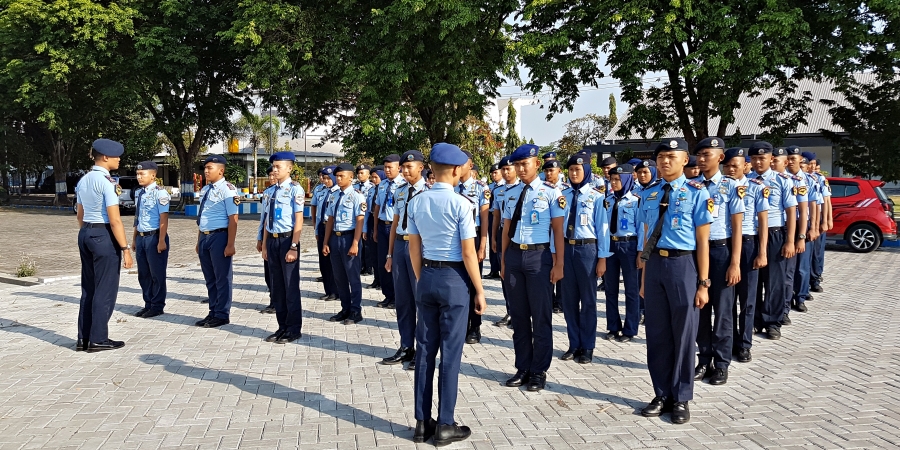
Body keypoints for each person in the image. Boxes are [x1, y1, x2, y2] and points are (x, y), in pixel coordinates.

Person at [406, 142, 485, 446]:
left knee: (425, 351)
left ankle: (422, 423)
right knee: (450, 355)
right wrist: (479, 290)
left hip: (426, 275)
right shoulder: (462, 204)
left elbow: (414, 247)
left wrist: (422, 277)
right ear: (454, 170)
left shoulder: (416, 202)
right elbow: (468, 253)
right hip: (454, 279)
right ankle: (446, 425)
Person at [637, 138, 712, 425]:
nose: (665, 161)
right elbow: (646, 238)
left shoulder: (697, 193)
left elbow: (703, 242)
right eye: (661, 157)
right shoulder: (650, 194)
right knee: (656, 334)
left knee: (683, 335)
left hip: (684, 265)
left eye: (671, 156)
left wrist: (703, 283)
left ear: (684, 161)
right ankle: (661, 393)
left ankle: (681, 398)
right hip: (655, 265)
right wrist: (644, 277)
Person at [501, 143, 566, 392]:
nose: (520, 169)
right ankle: (523, 367)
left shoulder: (551, 193)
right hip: (516, 256)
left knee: (540, 317)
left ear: (536, 164)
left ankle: (539, 370)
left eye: (524, 164)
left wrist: (559, 263)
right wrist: (505, 260)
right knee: (518, 316)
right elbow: (506, 229)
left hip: (540, 258)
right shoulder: (511, 193)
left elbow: (558, 231)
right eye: (516, 165)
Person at [693, 138, 744, 386]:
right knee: (700, 308)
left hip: (721, 252)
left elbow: (737, 228)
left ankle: (722, 364)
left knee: (723, 311)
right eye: (699, 155)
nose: (701, 159)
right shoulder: (691, 186)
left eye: (707, 154)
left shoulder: (731, 187)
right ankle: (704, 359)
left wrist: (735, 262)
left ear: (720, 157)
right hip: (695, 254)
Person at [75, 139, 134, 352]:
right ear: (106, 158)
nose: (119, 159)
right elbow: (115, 219)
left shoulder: (83, 180)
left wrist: (89, 232)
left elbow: (80, 214)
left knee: (88, 288)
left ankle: (84, 338)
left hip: (86, 232)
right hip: (103, 234)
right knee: (105, 288)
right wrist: (125, 249)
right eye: (117, 156)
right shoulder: (107, 183)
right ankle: (98, 338)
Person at [559, 154, 610, 364]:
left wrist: (602, 258)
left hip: (587, 250)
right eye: (570, 170)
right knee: (569, 301)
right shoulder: (562, 196)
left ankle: (587, 346)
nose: (573, 173)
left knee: (588, 301)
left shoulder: (597, 197)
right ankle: (574, 343)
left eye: (578, 170)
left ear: (586, 172)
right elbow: (557, 228)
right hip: (567, 249)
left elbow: (603, 230)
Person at [382, 150, 429, 369]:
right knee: (403, 300)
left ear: (421, 168)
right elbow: (395, 223)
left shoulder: (429, 192)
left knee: (421, 300)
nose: (405, 170)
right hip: (401, 245)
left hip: (419, 247)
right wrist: (390, 254)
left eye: (410, 167)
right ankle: (405, 346)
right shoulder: (400, 192)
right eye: (403, 167)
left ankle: (423, 350)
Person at [722, 148, 768, 363]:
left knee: (748, 299)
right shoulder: (719, 188)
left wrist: (762, 252)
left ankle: (745, 344)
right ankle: (729, 341)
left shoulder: (756, 188)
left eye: (736, 166)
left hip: (749, 244)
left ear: (746, 167)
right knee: (727, 300)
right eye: (728, 165)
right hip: (726, 245)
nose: (731, 170)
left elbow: (763, 222)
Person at [749, 142, 797, 340]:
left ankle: (773, 322)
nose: (758, 162)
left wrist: (791, 241)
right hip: (751, 235)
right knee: (753, 281)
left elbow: (792, 212)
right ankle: (754, 320)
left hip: (775, 235)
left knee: (774, 280)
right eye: (754, 158)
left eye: (762, 158)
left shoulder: (783, 180)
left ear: (771, 159)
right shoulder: (746, 181)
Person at [260, 152, 306, 343]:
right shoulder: (269, 192)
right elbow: (265, 222)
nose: (275, 170)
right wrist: (264, 245)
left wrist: (294, 246)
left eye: (279, 166)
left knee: (290, 287)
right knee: (277, 287)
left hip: (288, 241)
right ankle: (282, 327)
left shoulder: (296, 190)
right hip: (272, 241)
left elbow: (299, 220)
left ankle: (294, 328)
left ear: (290, 168)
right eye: (274, 167)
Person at [195, 155, 240, 328]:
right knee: (210, 278)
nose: (206, 171)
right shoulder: (206, 190)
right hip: (205, 236)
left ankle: (222, 314)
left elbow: (233, 218)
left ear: (221, 171)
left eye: (210, 168)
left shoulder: (228, 190)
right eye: (205, 168)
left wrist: (230, 244)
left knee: (222, 278)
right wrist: (199, 240)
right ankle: (213, 310)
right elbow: (203, 216)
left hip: (220, 237)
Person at [322, 163, 367, 325]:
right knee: (339, 277)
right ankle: (345, 308)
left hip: (349, 237)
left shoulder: (357, 196)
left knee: (352, 276)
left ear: (351, 177)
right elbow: (330, 220)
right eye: (337, 176)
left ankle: (356, 310)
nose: (338, 179)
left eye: (342, 176)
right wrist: (326, 242)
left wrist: (355, 243)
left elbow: (359, 220)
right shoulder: (333, 195)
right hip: (335, 238)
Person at [603, 164, 641, 343]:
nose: (614, 182)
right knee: (610, 289)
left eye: (618, 179)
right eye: (612, 179)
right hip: (611, 245)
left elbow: (642, 228)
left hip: (629, 246)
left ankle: (630, 328)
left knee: (631, 290)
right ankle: (613, 326)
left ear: (627, 180)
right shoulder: (608, 199)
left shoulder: (635, 200)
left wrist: (641, 252)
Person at [456, 150, 490, 344]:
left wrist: (482, 244)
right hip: (456, 237)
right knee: (459, 282)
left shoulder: (480, 188)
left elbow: (485, 217)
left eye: (463, 163)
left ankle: (475, 327)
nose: (459, 167)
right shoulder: (451, 187)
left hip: (474, 235)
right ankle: (460, 324)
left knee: (474, 282)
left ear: (470, 165)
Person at [773, 147, 807, 327]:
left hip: (787, 230)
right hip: (767, 232)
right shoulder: (756, 180)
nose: (771, 163)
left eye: (775, 160)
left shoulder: (794, 181)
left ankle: (784, 309)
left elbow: (801, 210)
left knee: (786, 274)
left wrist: (799, 237)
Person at [132, 161, 170, 319]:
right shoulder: (138, 193)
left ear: (153, 175)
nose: (139, 177)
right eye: (138, 174)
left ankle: (157, 305)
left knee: (157, 274)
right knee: (143, 274)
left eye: (142, 174)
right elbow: (137, 217)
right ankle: (148, 303)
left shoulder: (160, 193)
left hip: (154, 237)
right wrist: (134, 239)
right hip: (141, 237)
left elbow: (164, 219)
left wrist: (161, 240)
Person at [786, 147, 819, 315]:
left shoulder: (808, 179)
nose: (790, 161)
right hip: (786, 224)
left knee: (802, 266)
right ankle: (786, 300)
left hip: (802, 223)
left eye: (794, 158)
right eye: (788, 158)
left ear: (800, 160)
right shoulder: (782, 178)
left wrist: (813, 227)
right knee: (787, 267)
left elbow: (813, 205)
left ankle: (800, 297)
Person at [373, 154, 406, 308]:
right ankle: (388, 295)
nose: (386, 170)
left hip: (396, 227)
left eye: (389, 167)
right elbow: (377, 207)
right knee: (382, 263)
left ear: (398, 168)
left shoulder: (404, 185)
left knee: (395, 263)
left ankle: (397, 297)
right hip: (382, 226)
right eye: (385, 167)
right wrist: (374, 229)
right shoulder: (382, 185)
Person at [491, 155, 518, 327]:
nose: (506, 172)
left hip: (518, 234)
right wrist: (493, 237)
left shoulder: (522, 188)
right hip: (502, 232)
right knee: (504, 274)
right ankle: (510, 311)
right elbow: (496, 216)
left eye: (509, 169)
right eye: (503, 169)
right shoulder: (498, 191)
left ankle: (519, 312)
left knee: (516, 275)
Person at [633, 159, 658, 322]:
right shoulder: (633, 191)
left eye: (646, 172)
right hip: (638, 242)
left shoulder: (658, 191)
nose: (642, 175)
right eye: (640, 172)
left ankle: (651, 309)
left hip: (652, 244)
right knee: (639, 279)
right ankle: (641, 310)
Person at [311, 167, 338, 300]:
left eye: (329, 178)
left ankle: (337, 290)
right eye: (324, 178)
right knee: (324, 261)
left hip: (334, 229)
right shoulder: (319, 190)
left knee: (335, 262)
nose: (326, 181)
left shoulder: (339, 191)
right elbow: (314, 208)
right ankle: (329, 290)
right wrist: (316, 229)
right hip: (322, 227)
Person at [806, 154, 832, 293]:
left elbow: (826, 201)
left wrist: (827, 220)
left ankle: (815, 279)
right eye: (809, 164)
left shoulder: (820, 179)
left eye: (813, 164)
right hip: (806, 221)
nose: (812, 167)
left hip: (817, 219)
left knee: (817, 253)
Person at [256, 167, 278, 314]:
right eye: (269, 175)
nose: (271, 177)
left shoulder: (291, 191)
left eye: (273, 174)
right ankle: (273, 300)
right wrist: (260, 239)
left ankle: (278, 302)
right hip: (267, 236)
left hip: (281, 237)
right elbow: (263, 218)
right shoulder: (267, 193)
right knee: (268, 273)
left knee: (277, 274)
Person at [355, 164, 375, 276]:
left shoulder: (371, 187)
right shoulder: (354, 187)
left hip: (366, 219)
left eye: (362, 173)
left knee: (367, 245)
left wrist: (365, 227)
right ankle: (360, 266)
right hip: (356, 220)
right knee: (358, 245)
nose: (359, 175)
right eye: (358, 173)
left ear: (368, 174)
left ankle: (368, 267)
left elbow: (367, 209)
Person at [366, 169, 384, 289]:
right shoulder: (371, 190)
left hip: (382, 221)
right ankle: (376, 279)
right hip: (372, 219)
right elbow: (367, 209)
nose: (373, 180)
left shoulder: (384, 189)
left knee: (381, 253)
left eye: (376, 177)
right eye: (372, 177)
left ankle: (383, 281)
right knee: (373, 252)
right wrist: (364, 229)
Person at [485, 163, 503, 279]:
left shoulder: (507, 187)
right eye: (492, 173)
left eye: (496, 172)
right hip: (491, 216)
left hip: (503, 217)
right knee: (493, 242)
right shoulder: (489, 187)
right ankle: (494, 269)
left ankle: (503, 266)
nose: (493, 175)